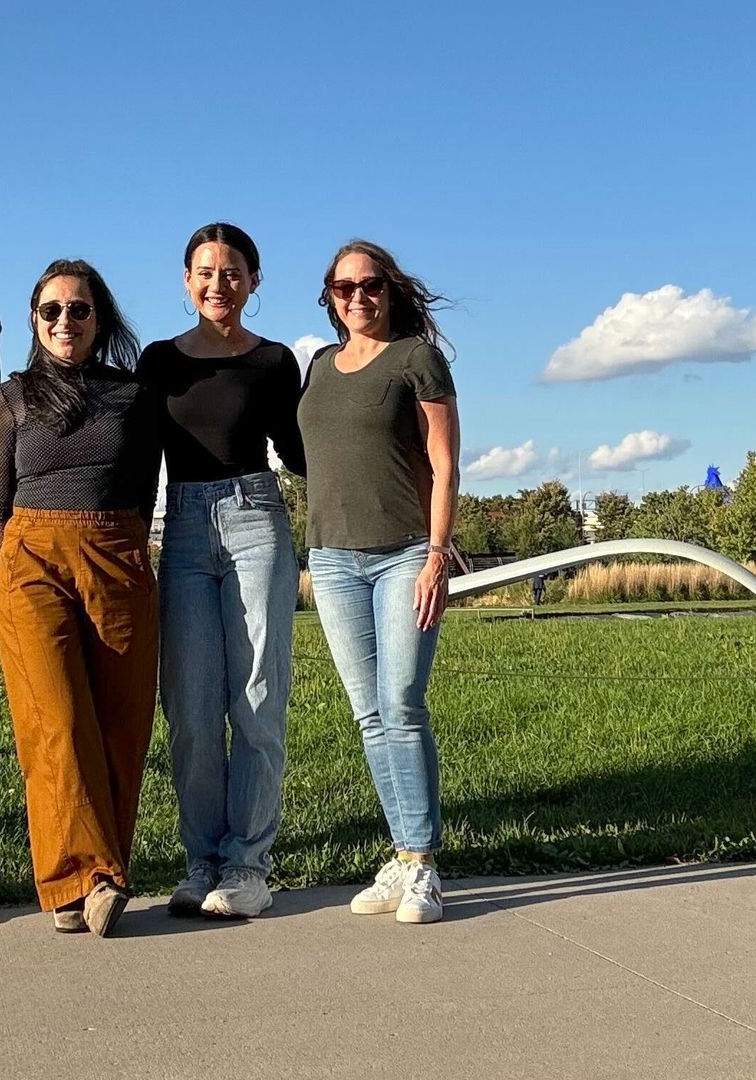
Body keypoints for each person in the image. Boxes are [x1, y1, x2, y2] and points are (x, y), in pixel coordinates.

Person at [0, 259, 160, 937]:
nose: (64, 322)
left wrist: (125, 547)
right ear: (34, 319)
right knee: (53, 721)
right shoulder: (10, 399)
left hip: (117, 551)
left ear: (99, 319)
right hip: (30, 558)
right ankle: (81, 879)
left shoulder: (133, 397)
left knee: (119, 722)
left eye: (78, 310)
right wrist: (5, 570)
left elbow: (143, 486)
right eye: (50, 310)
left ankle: (96, 877)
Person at [137, 224, 304, 919]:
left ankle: (247, 867)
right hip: (180, 530)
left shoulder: (273, 362)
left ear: (254, 282)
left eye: (232, 273)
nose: (218, 284)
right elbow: (140, 456)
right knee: (192, 710)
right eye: (204, 272)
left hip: (255, 519)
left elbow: (298, 451)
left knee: (257, 700)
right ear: (184, 280)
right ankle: (201, 859)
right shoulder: (159, 361)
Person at [297, 239, 461, 925]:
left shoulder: (416, 359)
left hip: (403, 556)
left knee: (401, 703)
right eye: (344, 288)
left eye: (370, 287)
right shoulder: (318, 367)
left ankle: (423, 865)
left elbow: (445, 464)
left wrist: (436, 554)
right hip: (332, 558)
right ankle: (400, 854)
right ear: (329, 298)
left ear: (390, 291)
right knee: (369, 714)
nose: (358, 298)